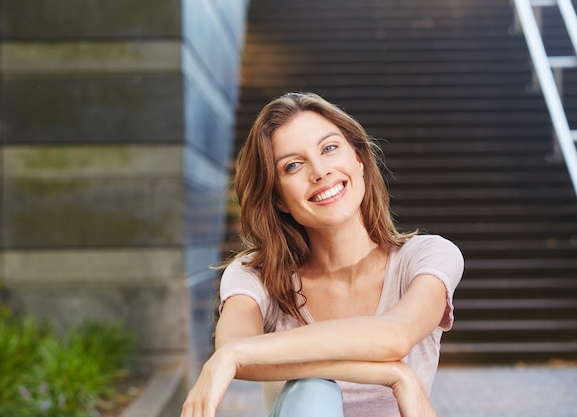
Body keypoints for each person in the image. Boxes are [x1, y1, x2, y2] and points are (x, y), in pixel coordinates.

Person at [180, 92, 464, 417]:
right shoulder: (255, 274)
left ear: (358, 159)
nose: (319, 171)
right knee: (314, 387)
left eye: (329, 148)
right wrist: (393, 374)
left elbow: (395, 337)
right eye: (293, 166)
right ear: (279, 199)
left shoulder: (427, 257)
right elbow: (234, 346)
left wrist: (234, 356)